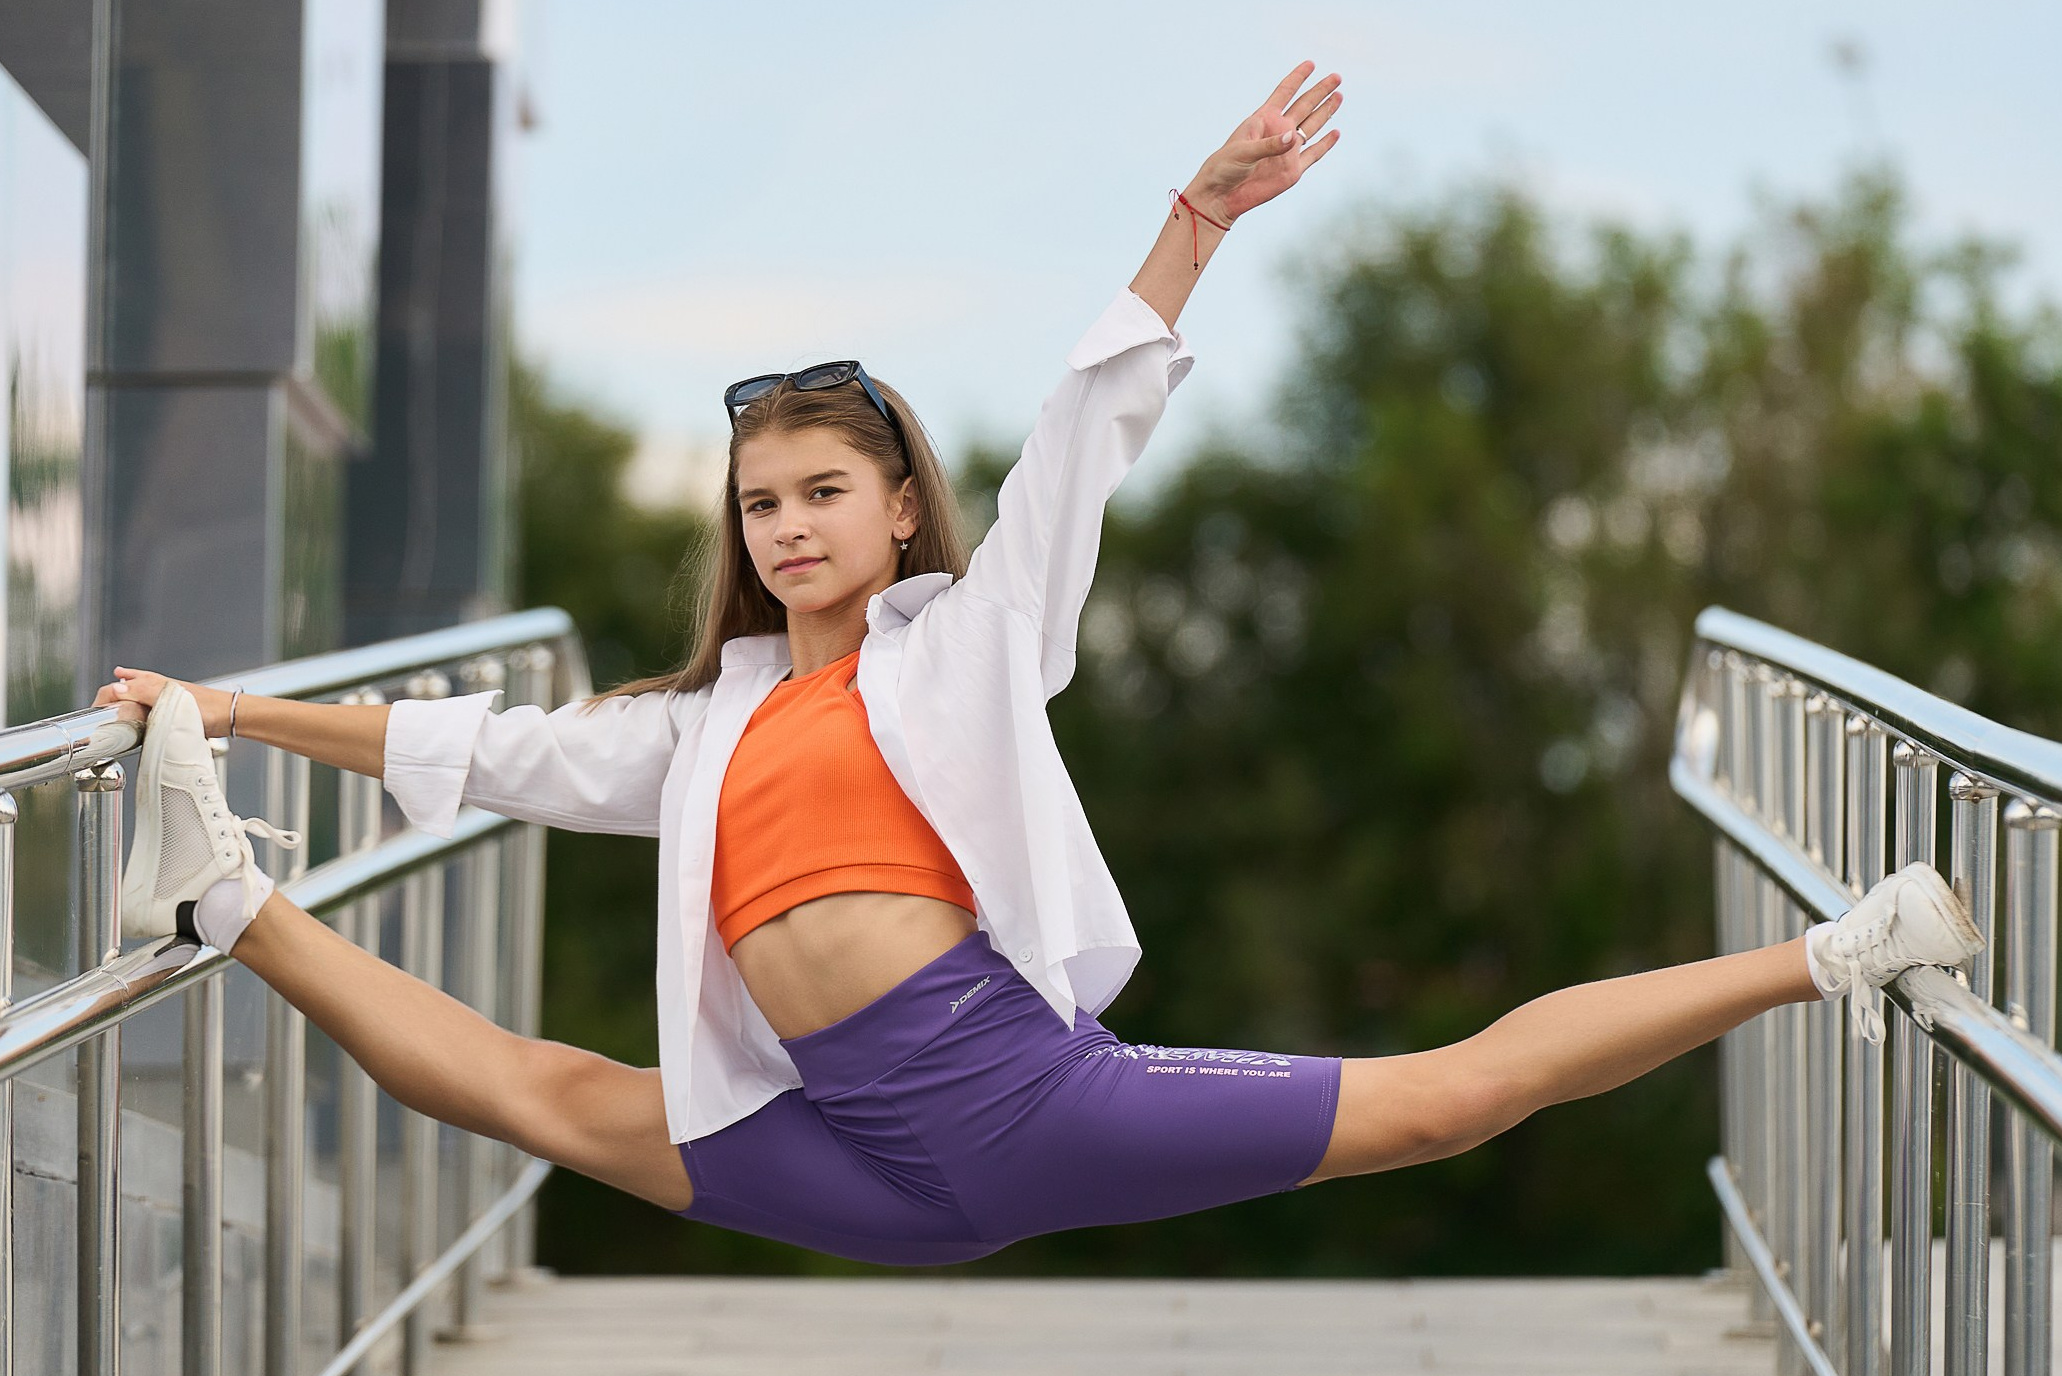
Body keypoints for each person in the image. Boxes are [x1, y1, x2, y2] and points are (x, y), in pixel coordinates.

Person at [94, 61, 1982, 1268]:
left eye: (822, 492)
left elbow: (1082, 441)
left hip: (1017, 1102)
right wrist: (232, 712)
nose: (786, 527)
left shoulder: (971, 644)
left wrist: (1190, 226)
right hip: (815, 1139)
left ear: (900, 505)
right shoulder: (708, 725)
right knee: (529, 1088)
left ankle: (1838, 954)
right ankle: (225, 902)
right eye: (758, 504)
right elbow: (487, 751)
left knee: (1440, 1097)